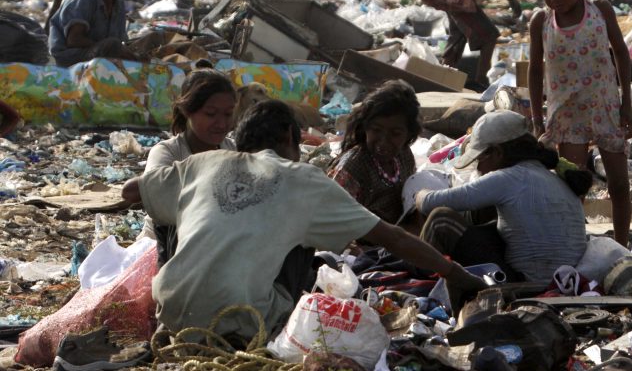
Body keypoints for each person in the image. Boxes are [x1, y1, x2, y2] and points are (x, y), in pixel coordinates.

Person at [121, 100, 485, 343]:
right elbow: (390, 237)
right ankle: (256, 321)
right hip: (244, 323)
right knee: (308, 250)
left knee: (166, 210)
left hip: (171, 313)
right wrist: (454, 273)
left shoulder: (200, 163)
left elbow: (130, 192)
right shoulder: (304, 179)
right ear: (287, 140)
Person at [528, 0, 632, 247]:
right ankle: (576, 243)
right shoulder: (542, 22)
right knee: (573, 186)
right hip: (567, 115)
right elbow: (536, 71)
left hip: (605, 108)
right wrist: (538, 119)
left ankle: (621, 245)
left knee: (619, 184)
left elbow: (621, 54)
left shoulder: (600, 11)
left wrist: (627, 103)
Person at [415, 110, 592, 286]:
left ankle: (418, 278)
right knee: (487, 213)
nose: (479, 169)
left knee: (441, 220)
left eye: (479, 161)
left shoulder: (509, 178)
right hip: (569, 283)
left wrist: (417, 194)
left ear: (498, 153)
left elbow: (430, 203)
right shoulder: (555, 178)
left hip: (527, 284)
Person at [139, 68, 237, 265]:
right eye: (211, 114)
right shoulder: (167, 153)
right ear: (186, 111)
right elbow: (158, 201)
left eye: (228, 114)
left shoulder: (234, 150)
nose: (221, 123)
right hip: (163, 252)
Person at [327, 80, 420, 225]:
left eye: (395, 133)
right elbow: (331, 216)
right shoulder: (353, 166)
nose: (383, 141)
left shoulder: (404, 156)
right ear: (365, 128)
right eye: (376, 130)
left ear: (409, 134)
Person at [48, 0, 140, 67]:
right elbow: (73, 40)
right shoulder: (86, 0)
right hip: (68, 58)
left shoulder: (119, 4)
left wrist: (134, 54)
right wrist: (110, 48)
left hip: (95, 53)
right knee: (113, 45)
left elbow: (122, 41)